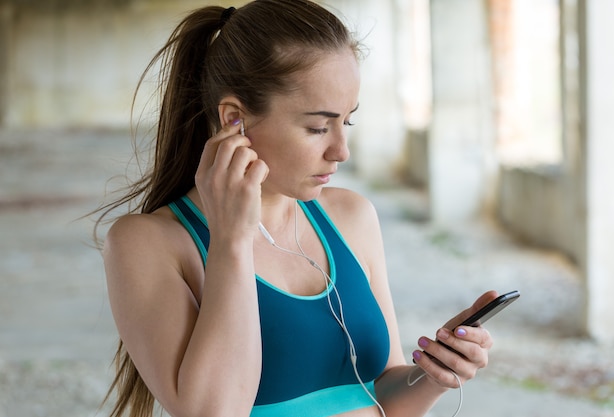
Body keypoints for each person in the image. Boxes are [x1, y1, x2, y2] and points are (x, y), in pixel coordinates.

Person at [96, 1, 497, 416]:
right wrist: (232, 240)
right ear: (235, 120)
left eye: (348, 122)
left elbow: (382, 395)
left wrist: (434, 373)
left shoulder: (351, 218)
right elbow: (213, 411)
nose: (340, 151)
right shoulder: (146, 244)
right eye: (318, 128)